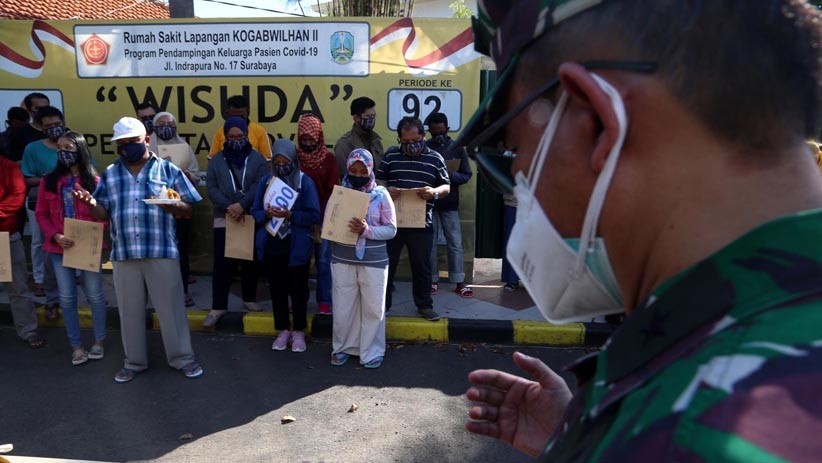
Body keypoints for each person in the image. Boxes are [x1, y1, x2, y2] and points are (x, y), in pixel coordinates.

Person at [459, 1, 822, 461]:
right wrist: (589, 436)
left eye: (516, 152)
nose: (523, 183)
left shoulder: (689, 438)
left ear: (593, 123)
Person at [74, 116, 204, 383]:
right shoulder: (111, 173)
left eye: (131, 142)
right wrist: (89, 203)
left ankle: (183, 359)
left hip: (161, 250)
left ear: (146, 140)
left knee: (171, 310)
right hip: (124, 254)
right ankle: (134, 362)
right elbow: (103, 212)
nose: (126, 148)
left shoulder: (167, 170)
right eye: (121, 144)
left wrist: (174, 205)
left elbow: (190, 207)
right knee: (129, 312)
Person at [35, 131, 107, 365]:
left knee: (95, 295)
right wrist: (54, 235)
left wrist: (93, 233)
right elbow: (41, 213)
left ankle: (99, 341)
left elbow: (105, 216)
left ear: (80, 151)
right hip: (59, 247)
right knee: (67, 297)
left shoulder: (95, 181)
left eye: (68, 148)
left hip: (88, 245)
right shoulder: (49, 180)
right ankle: (76, 345)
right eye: (59, 149)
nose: (63, 153)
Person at [375, 116, 450, 321]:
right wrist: (386, 189)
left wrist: (433, 192)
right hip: (392, 223)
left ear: (423, 136)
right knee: (387, 264)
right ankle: (384, 306)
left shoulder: (435, 157)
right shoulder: (391, 155)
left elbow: (446, 186)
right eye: (405, 142)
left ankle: (425, 305)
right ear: (399, 139)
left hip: (421, 222)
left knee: (422, 265)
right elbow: (378, 180)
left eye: (414, 140)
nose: (410, 145)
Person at [329, 148, 396, 369]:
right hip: (342, 258)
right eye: (353, 170)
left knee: (373, 309)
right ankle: (342, 348)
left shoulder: (381, 194)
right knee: (343, 307)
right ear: (347, 169)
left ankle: (372, 351)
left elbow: (391, 230)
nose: (358, 175)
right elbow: (329, 225)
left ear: (370, 170)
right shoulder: (339, 194)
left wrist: (367, 230)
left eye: (362, 170)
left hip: (374, 261)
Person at [252, 139, 320, 353]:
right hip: (273, 245)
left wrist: (291, 214)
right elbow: (254, 212)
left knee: (298, 290)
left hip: (296, 245)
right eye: (277, 161)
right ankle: (282, 329)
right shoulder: (265, 182)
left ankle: (299, 330)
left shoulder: (304, 182)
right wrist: (267, 214)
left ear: (293, 160)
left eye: (286, 161)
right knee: (278, 290)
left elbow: (314, 214)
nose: (281, 165)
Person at [205, 117, 269, 327]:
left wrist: (242, 205)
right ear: (225, 137)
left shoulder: (258, 159)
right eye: (231, 137)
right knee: (223, 264)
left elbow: (260, 184)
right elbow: (211, 187)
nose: (236, 140)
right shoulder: (216, 160)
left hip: (248, 214)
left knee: (249, 262)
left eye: (240, 136)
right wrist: (229, 207)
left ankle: (249, 299)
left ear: (246, 135)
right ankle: (218, 305)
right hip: (224, 217)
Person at [150, 111, 200, 307]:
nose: (166, 127)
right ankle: (159, 294)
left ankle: (183, 292)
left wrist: (186, 175)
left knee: (180, 251)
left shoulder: (184, 147)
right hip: (156, 211)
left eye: (170, 124)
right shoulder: (147, 148)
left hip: (180, 208)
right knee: (157, 255)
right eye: (161, 124)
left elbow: (195, 175)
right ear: (154, 127)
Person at [21, 105, 64, 317]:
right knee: (40, 242)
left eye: (57, 124)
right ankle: (40, 281)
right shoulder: (32, 149)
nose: (54, 128)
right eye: (49, 126)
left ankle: (68, 277)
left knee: (69, 241)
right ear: (40, 127)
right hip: (41, 203)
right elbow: (27, 178)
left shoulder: (72, 144)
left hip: (69, 203)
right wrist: (50, 178)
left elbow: (88, 170)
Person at [425, 112, 473, 298]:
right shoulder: (425, 147)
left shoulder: (457, 148)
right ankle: (432, 280)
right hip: (430, 203)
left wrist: (451, 176)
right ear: (429, 131)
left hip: (450, 204)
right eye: (435, 132)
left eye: (441, 131)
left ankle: (459, 282)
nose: (439, 135)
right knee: (430, 245)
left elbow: (467, 174)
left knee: (455, 244)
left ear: (448, 128)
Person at [296, 113, 339, 315]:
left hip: (323, 220)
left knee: (323, 263)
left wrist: (323, 219)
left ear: (319, 137)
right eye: (303, 139)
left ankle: (324, 301)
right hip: (299, 220)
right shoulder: (294, 159)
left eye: (310, 139)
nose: (307, 143)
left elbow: (333, 191)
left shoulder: (329, 159)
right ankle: (298, 301)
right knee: (300, 263)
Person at [0, 155, 44, 348]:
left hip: (5, 236)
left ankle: (28, 330)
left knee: (17, 288)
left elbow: (17, 196)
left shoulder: (8, 167)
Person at [208, 95, 272, 160]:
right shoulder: (220, 132)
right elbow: (212, 160)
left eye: (242, 116)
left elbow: (267, 161)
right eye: (234, 116)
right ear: (227, 114)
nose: (238, 120)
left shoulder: (259, 131)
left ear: (248, 113)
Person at [334, 97, 384, 177]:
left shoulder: (376, 141)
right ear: (356, 118)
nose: (372, 120)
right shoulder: (344, 144)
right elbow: (343, 175)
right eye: (368, 116)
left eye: (373, 116)